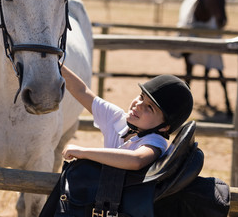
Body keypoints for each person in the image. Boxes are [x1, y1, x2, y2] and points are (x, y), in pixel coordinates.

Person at [61, 65, 193, 170]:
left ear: (164, 127)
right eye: (141, 97)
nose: (139, 105)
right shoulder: (117, 118)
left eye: (150, 107)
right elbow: (81, 91)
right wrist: (56, 64)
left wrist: (84, 152)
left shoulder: (155, 142)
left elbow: (137, 160)